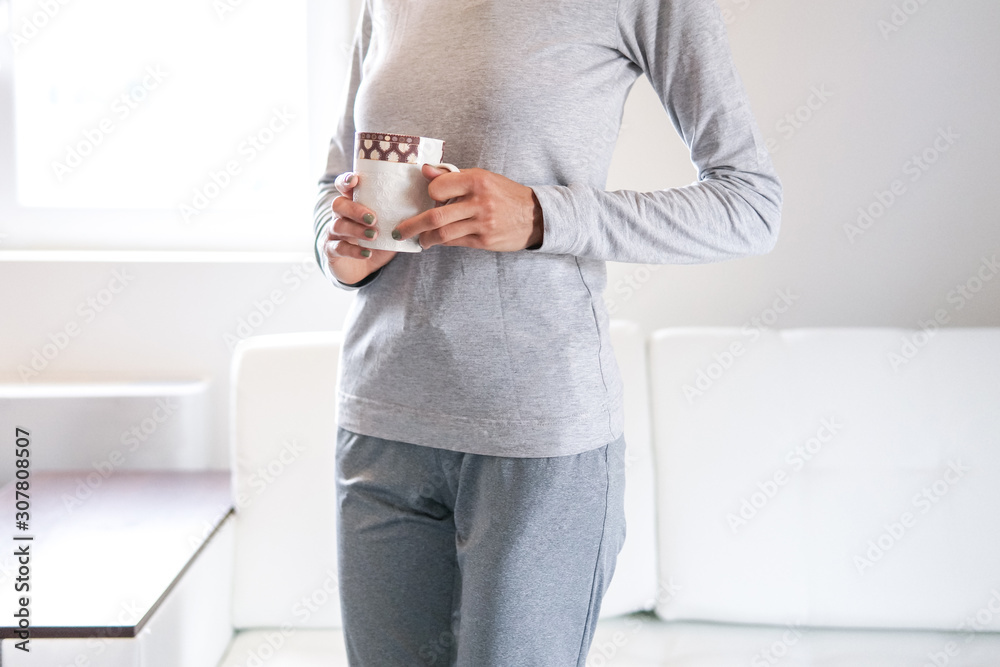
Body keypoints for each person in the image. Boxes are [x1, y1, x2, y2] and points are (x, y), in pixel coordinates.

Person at [313, 1, 782, 664]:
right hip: (381, 421)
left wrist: (542, 215)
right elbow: (335, 183)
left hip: (534, 439)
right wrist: (336, 247)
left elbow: (751, 205)